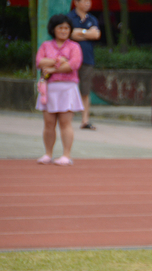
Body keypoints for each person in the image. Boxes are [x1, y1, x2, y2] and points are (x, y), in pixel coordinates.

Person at [35, 14, 83, 166]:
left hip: (67, 88)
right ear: (53, 29)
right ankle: (48, 154)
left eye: (66, 28)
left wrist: (51, 69)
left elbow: (73, 65)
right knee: (48, 123)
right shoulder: (45, 45)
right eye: (60, 28)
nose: (63, 31)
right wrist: (58, 61)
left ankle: (66, 155)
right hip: (49, 89)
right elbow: (39, 61)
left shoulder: (74, 46)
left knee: (65, 122)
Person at [68, 0, 101, 131]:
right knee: (70, 88)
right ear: (76, 2)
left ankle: (85, 120)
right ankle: (67, 119)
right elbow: (69, 34)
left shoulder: (92, 19)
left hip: (87, 59)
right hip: (70, 60)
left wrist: (79, 33)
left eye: (89, 1)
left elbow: (96, 34)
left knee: (85, 91)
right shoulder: (69, 18)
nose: (88, 3)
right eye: (85, 1)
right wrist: (87, 33)